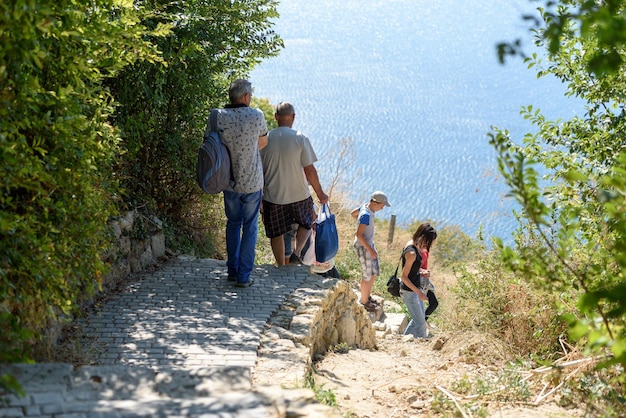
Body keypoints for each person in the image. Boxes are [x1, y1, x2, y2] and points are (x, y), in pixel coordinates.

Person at [260, 102, 329, 266]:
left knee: (276, 233)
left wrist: (260, 199)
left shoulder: (264, 139)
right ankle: (296, 254)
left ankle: (280, 266)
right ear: (293, 117)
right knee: (306, 222)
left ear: (276, 117)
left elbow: (259, 172)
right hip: (299, 194)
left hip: (273, 196)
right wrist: (320, 194)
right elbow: (310, 170)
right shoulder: (300, 138)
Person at [217, 79, 268, 288]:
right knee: (250, 227)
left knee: (232, 224)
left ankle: (232, 270)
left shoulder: (219, 116)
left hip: (229, 182)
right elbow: (263, 143)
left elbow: (211, 145)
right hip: (252, 183)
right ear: (246, 97)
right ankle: (244, 276)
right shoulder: (256, 115)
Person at [352, 191, 390, 312]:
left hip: (369, 246)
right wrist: (371, 250)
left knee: (373, 272)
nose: (383, 207)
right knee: (367, 274)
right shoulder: (365, 215)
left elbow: (353, 213)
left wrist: (359, 222)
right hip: (364, 247)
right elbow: (359, 235)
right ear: (375, 202)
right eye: (382, 205)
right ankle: (364, 301)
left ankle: (367, 296)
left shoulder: (365, 208)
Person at [399, 223, 437, 338]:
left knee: (418, 320)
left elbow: (411, 269)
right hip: (409, 292)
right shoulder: (412, 253)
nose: (428, 245)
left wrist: (421, 272)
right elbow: (404, 277)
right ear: (423, 238)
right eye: (429, 242)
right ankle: (417, 345)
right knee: (420, 323)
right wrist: (419, 293)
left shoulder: (412, 244)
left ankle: (405, 341)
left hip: (414, 290)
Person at [416, 223, 439, 322]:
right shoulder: (415, 250)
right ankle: (422, 323)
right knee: (430, 303)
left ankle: (423, 321)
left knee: (434, 303)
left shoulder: (425, 250)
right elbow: (412, 268)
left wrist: (426, 271)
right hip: (417, 282)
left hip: (424, 281)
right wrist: (422, 271)